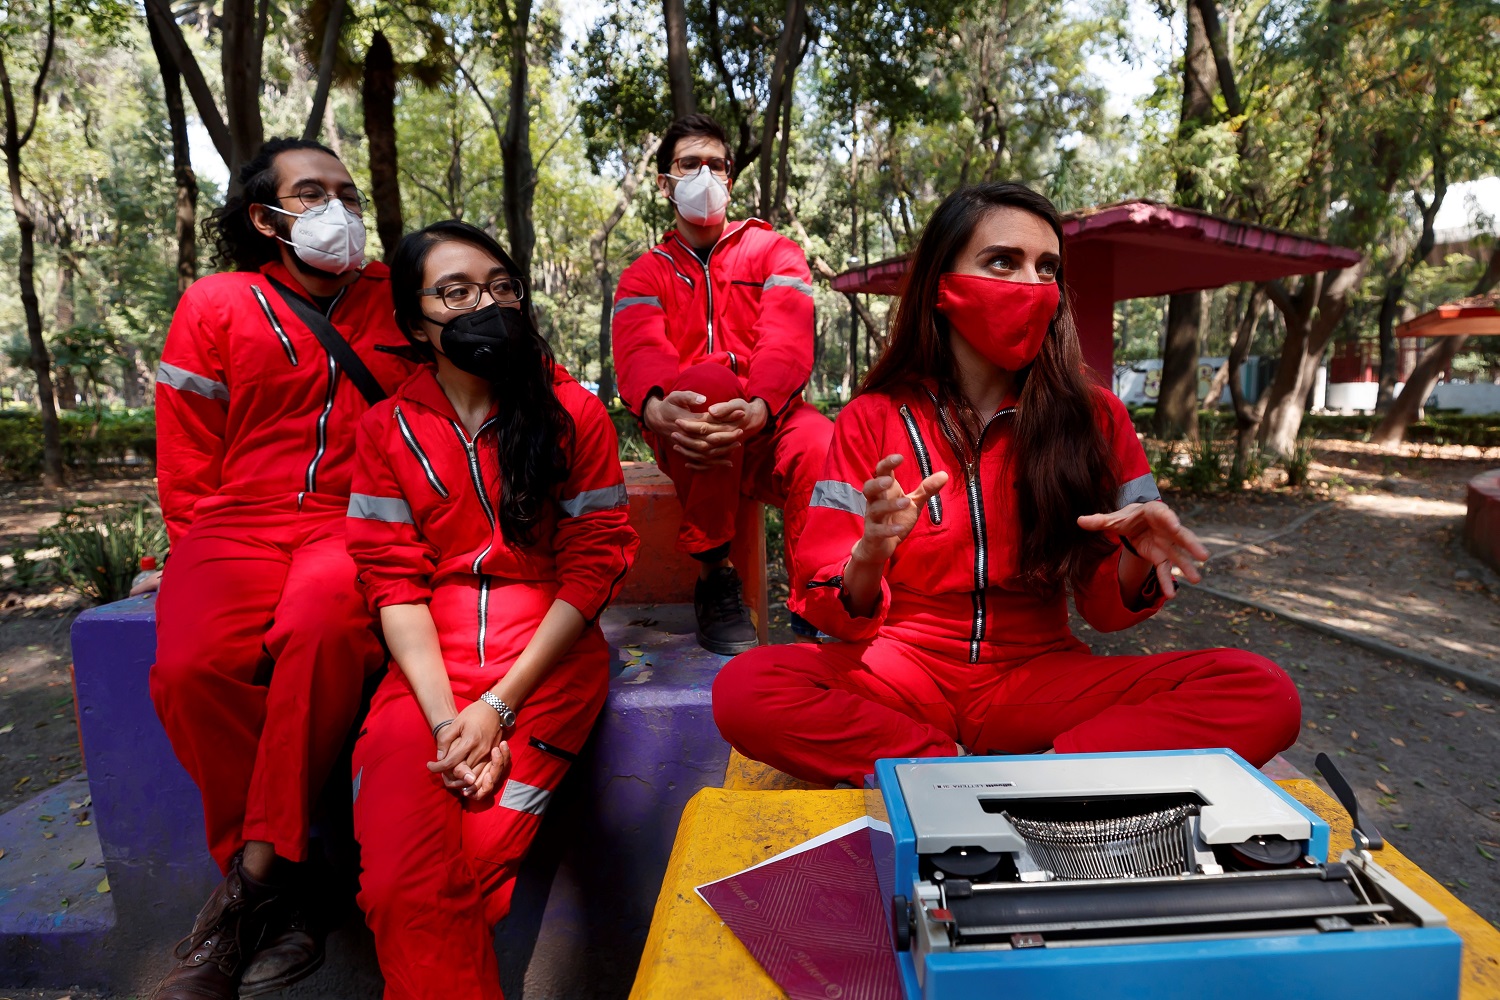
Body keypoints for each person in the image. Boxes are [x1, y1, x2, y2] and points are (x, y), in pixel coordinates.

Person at [711, 182, 1302, 786]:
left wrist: (1131, 557)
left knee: (1263, 692)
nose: (1030, 285)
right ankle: (961, 777)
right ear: (942, 287)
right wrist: (868, 556)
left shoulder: (1096, 419)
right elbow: (833, 610)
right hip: (901, 673)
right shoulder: (872, 416)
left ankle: (1040, 780)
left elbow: (1103, 611)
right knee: (745, 688)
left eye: (1046, 269)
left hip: (1039, 680)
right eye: (1003, 262)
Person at [146, 138, 416, 999]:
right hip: (237, 523)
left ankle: (257, 889)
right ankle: (290, 889)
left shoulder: (403, 298)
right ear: (266, 217)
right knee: (191, 667)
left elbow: (500, 367)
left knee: (321, 627)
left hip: (358, 522)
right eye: (312, 193)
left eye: (346, 192)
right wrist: (194, 557)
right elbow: (188, 457)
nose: (337, 208)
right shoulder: (217, 302)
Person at [345, 221, 638, 998]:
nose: (487, 303)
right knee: (399, 888)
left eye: (502, 286)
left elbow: (595, 563)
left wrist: (499, 711)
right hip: (427, 675)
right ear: (416, 324)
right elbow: (392, 584)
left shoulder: (574, 412)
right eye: (457, 291)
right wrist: (451, 723)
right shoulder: (386, 429)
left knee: (463, 874)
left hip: (546, 666)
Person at [612, 113, 833, 654]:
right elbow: (641, 348)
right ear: (666, 184)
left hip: (768, 422)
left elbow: (785, 337)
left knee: (824, 442)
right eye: (690, 164)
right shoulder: (646, 273)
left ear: (731, 179)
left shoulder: (775, 252)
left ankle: (821, 606)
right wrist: (655, 405)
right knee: (709, 381)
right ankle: (715, 574)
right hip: (689, 434)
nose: (704, 175)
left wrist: (761, 404)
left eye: (716, 165)